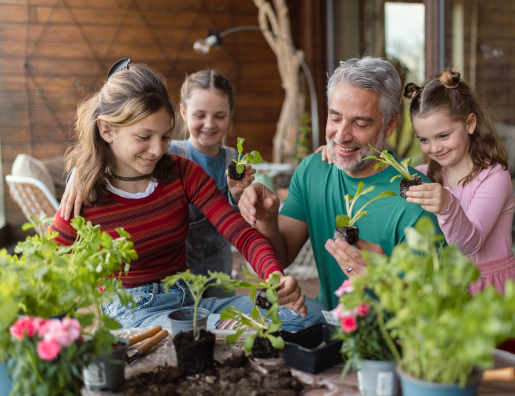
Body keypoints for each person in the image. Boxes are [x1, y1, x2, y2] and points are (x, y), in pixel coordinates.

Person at [51, 60, 327, 330]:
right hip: (134, 315)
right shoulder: (85, 193)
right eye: (144, 137)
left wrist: (274, 275)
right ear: (107, 130)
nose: (158, 150)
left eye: (165, 137)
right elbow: (49, 262)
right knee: (229, 331)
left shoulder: (180, 170)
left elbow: (241, 233)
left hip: (191, 301)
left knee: (313, 316)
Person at [238, 56, 442, 310]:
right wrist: (267, 219)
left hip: (394, 343)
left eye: (359, 123)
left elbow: (435, 308)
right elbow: (282, 256)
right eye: (335, 119)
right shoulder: (313, 170)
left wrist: (384, 281)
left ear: (389, 125)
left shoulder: (417, 196)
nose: (341, 136)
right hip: (331, 331)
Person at [60, 69, 253, 299]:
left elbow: (232, 222)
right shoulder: (167, 155)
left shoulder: (232, 158)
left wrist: (236, 195)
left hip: (215, 262)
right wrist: (78, 173)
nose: (209, 124)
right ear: (183, 112)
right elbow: (116, 158)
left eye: (219, 116)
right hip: (179, 262)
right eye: (200, 115)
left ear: (230, 115)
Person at [403, 68, 515, 295]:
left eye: (443, 136)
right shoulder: (425, 175)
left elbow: (469, 244)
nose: (434, 148)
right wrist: (335, 156)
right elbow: (383, 176)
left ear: (470, 124)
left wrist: (447, 207)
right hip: (448, 285)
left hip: (490, 291)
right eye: (423, 139)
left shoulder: (494, 178)